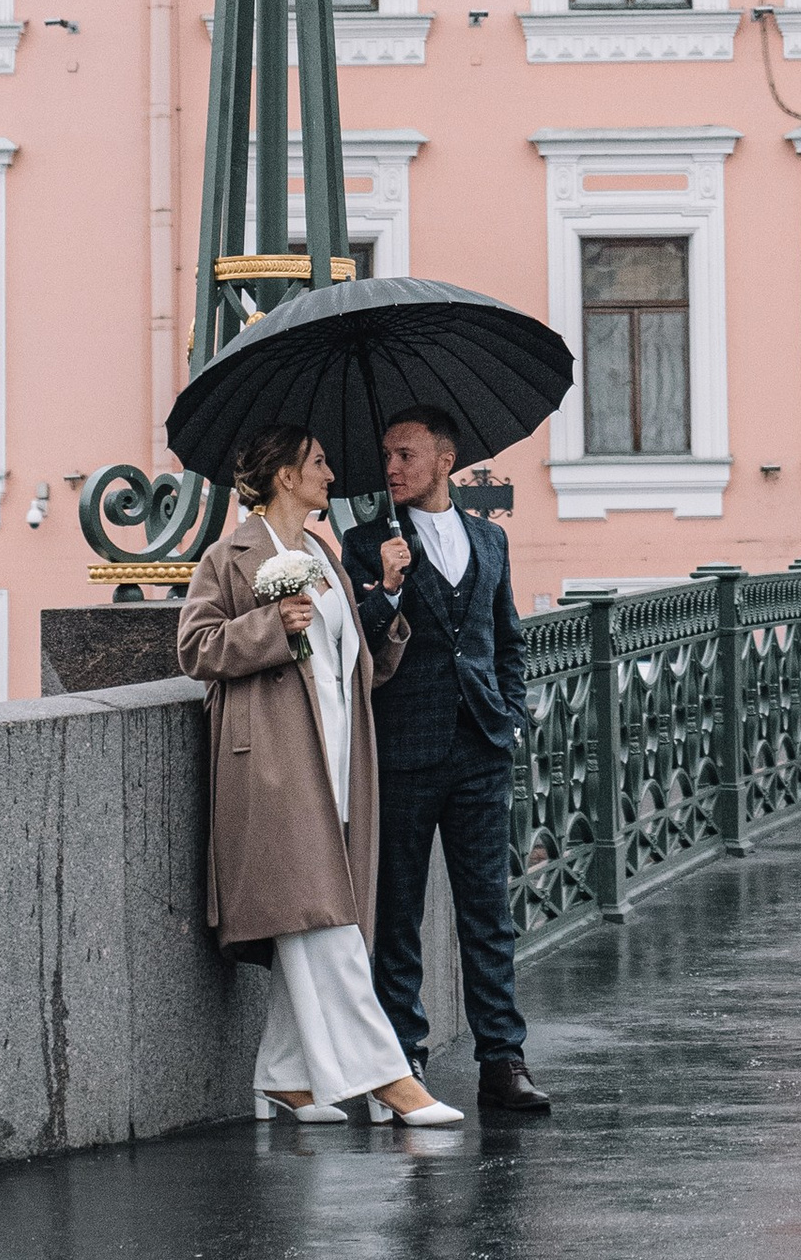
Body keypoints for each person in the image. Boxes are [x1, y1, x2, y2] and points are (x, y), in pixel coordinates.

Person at [177, 424, 462, 1127]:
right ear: (283, 475)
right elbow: (194, 647)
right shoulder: (229, 555)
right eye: (319, 461)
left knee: (313, 914)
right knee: (324, 919)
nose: (332, 472)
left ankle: (284, 1076)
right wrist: (272, 625)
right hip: (272, 768)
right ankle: (390, 1077)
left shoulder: (324, 554)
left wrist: (389, 596)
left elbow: (352, 659)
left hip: (338, 757)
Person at [346, 413, 550, 1114]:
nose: (393, 466)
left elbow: (506, 636)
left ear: (444, 457)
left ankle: (503, 1059)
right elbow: (358, 649)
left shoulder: (489, 538)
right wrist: (392, 588)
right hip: (403, 750)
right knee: (398, 913)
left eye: (406, 453)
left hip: (481, 749)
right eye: (386, 453)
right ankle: (403, 1055)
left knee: (488, 912)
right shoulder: (366, 543)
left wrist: (511, 714)